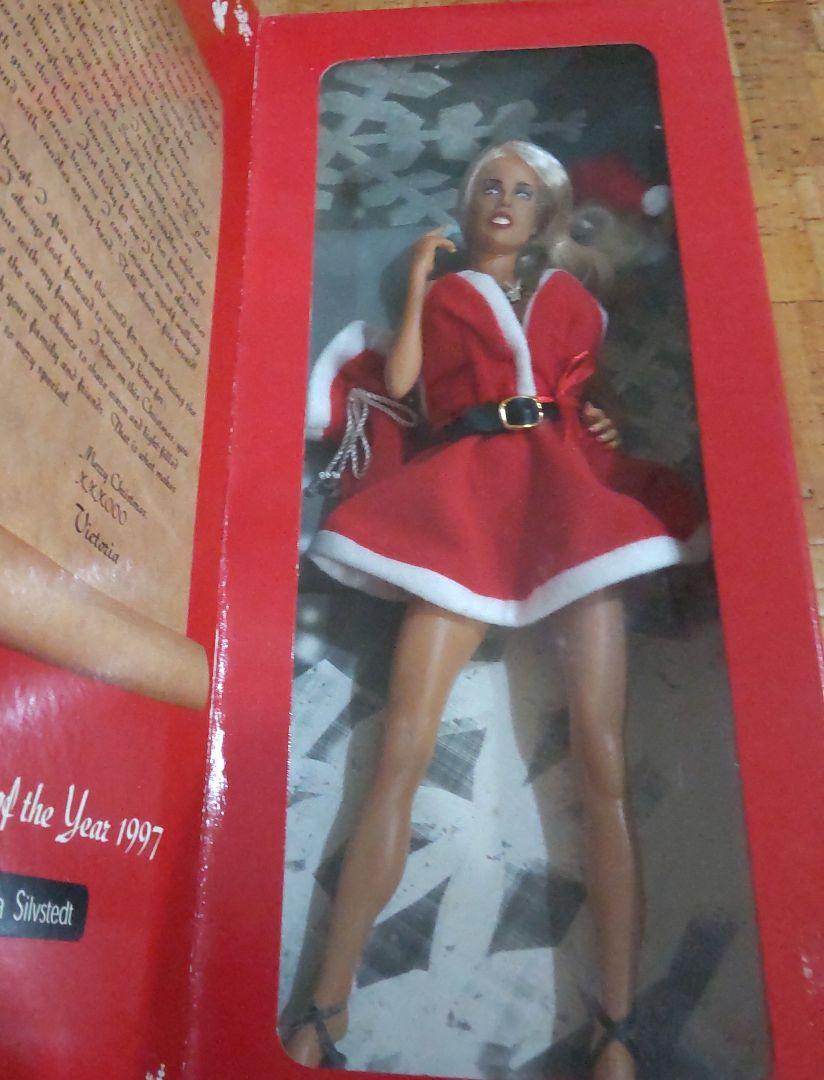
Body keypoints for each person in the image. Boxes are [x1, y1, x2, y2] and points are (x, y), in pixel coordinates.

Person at [285, 140, 707, 1079]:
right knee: (401, 747)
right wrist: (420, 277)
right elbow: (402, 386)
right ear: (466, 202)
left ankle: (616, 1026)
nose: (504, 202)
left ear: (547, 212)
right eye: (488, 187)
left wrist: (600, 418)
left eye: (521, 191)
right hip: (467, 503)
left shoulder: (572, 299)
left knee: (601, 757)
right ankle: (326, 1003)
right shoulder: (442, 295)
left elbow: (591, 392)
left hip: (569, 501)